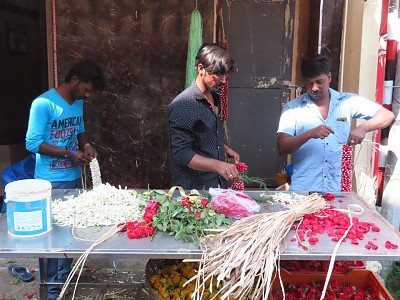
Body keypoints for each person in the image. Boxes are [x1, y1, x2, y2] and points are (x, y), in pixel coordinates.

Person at [25, 59, 105, 299]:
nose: (88, 96)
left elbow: (78, 128)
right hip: (50, 181)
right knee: (51, 238)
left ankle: (65, 279)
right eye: (86, 90)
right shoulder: (43, 104)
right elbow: (32, 143)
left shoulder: (77, 102)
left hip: (73, 179)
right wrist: (69, 153)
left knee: (70, 233)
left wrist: (86, 145)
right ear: (74, 80)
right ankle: (51, 289)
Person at [277, 54, 394, 192]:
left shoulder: (347, 102)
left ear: (329, 77)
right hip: (303, 191)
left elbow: (387, 115)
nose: (314, 88)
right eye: (309, 83)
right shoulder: (293, 108)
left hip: (338, 190)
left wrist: (363, 128)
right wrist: (309, 134)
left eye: (319, 82)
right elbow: (282, 147)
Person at [167, 43, 240, 190]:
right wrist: (218, 165)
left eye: (226, 75)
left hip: (217, 185)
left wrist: (223, 148)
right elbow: (182, 152)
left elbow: (202, 133)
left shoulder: (215, 96)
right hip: (195, 192)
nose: (224, 81)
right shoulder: (183, 105)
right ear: (201, 69)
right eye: (218, 74)